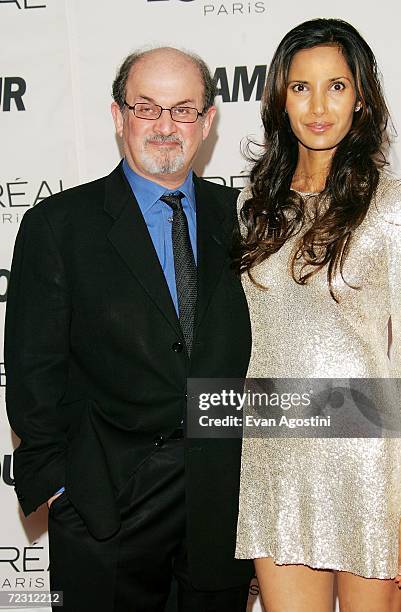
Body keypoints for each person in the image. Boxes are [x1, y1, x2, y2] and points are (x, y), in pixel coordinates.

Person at [5, 46, 253, 611]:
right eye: (147, 107)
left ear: (208, 122)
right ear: (118, 117)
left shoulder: (245, 217)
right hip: (106, 502)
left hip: (224, 501)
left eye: (184, 109)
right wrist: (63, 489)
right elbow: (30, 371)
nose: (166, 126)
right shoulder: (58, 226)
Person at [234, 18, 401, 612]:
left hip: (369, 465)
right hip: (276, 461)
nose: (318, 106)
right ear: (280, 98)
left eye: (336, 86)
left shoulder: (396, 209)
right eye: (301, 87)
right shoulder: (253, 206)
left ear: (361, 97)